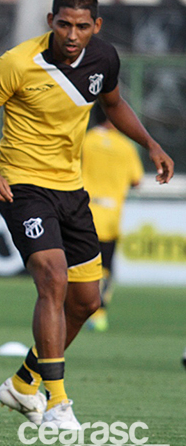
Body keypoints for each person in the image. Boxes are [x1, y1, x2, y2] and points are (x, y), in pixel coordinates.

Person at [0, 0, 173, 430]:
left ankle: (23, 384)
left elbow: (114, 104)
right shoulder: (18, 63)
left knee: (87, 301)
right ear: (50, 22)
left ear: (96, 26)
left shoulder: (104, 59)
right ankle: (57, 403)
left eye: (81, 26)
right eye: (63, 24)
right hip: (22, 185)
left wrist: (150, 143)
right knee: (53, 276)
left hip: (71, 190)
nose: (72, 34)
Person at [81, 105, 143, 331]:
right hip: (110, 217)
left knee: (79, 264)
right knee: (105, 268)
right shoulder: (126, 146)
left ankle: (73, 308)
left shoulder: (85, 140)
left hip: (83, 213)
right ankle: (99, 315)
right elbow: (137, 180)